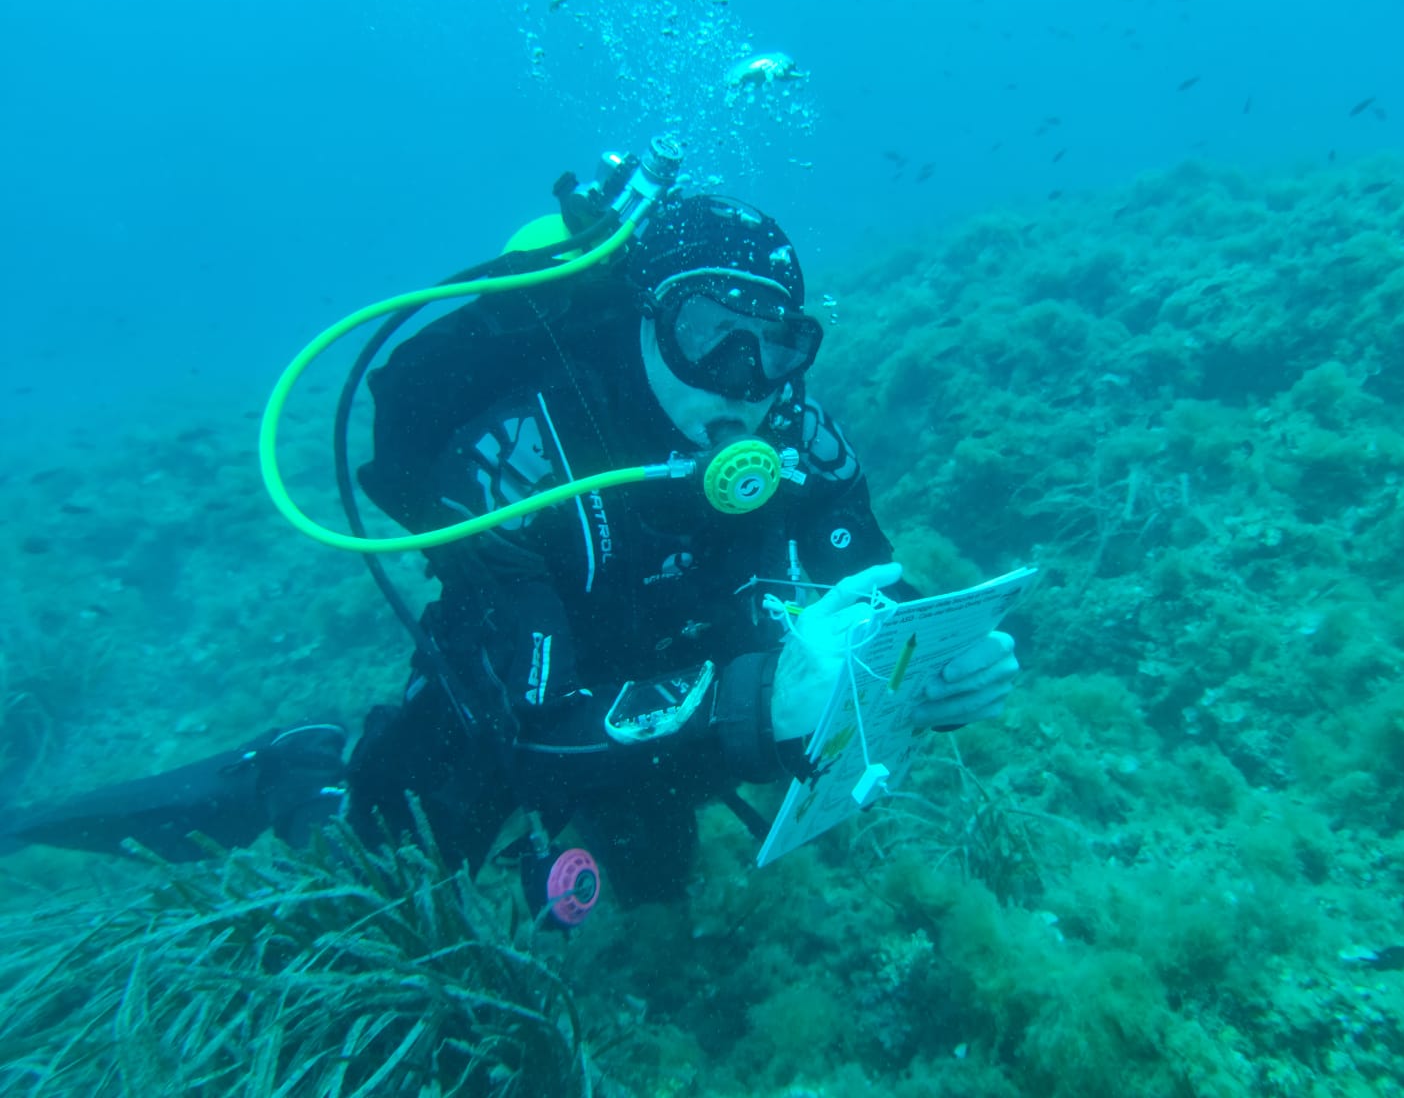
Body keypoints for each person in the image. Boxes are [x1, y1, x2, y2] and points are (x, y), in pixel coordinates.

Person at [2, 158, 1019, 921]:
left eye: (778, 342)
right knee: (376, 888)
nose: (743, 379)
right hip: (511, 717)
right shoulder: (509, 464)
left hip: (679, 708)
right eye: (710, 333)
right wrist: (763, 701)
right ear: (641, 322)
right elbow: (530, 723)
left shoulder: (790, 427)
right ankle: (295, 768)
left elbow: (873, 581)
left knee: (659, 894)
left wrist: (929, 670)